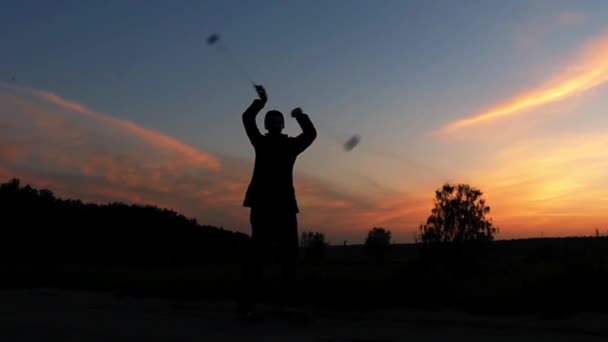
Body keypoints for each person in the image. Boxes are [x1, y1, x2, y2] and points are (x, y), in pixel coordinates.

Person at [238, 85, 317, 316]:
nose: (273, 124)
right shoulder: (260, 142)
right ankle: (247, 304)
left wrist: (300, 115)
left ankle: (289, 300)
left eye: (277, 121)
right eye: (270, 121)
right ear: (266, 126)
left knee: (290, 257)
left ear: (282, 125)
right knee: (256, 257)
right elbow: (247, 118)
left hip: (284, 208)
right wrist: (260, 102)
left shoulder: (290, 145)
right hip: (262, 207)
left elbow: (311, 134)